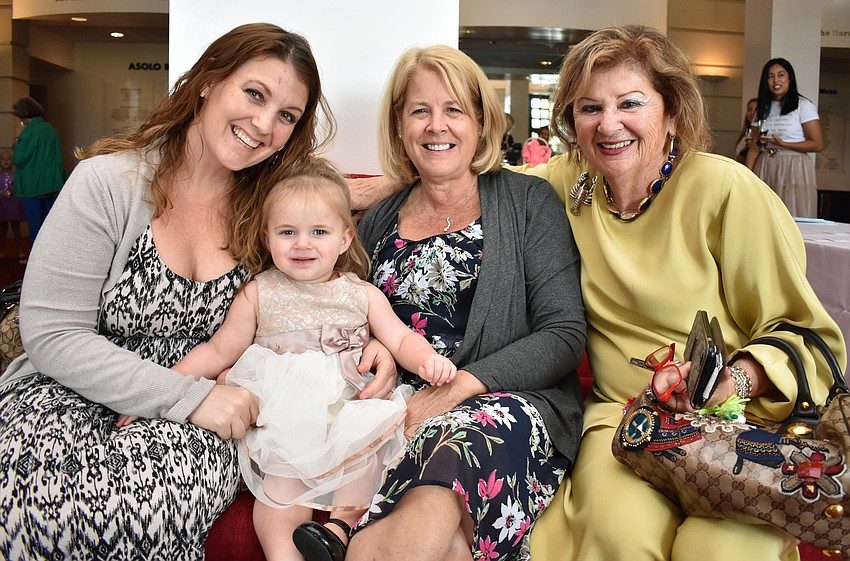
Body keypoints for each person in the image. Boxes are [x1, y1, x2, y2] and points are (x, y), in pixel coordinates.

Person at [0, 23, 395, 560]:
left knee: (141, 502)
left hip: (212, 404)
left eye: (286, 116)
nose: (263, 125)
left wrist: (369, 342)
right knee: (27, 492)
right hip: (80, 387)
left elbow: (324, 259)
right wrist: (190, 398)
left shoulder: (271, 210)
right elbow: (50, 334)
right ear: (209, 80)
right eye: (254, 94)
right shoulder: (108, 183)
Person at [497, 25, 844, 561]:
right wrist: (381, 185)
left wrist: (729, 381)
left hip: (738, 424)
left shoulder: (723, 189)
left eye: (630, 103)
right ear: (572, 122)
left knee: (721, 550)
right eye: (590, 108)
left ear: (672, 113)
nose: (609, 124)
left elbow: (806, 332)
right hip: (625, 420)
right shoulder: (570, 185)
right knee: (619, 533)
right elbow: (476, 179)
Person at [132, 160, 456, 561]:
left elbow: (400, 337)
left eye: (319, 232)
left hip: (348, 406)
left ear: (344, 239)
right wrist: (160, 389)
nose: (302, 244)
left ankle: (340, 527)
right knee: (281, 494)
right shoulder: (258, 292)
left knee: (371, 447)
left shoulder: (361, 293)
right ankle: (284, 555)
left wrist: (427, 360)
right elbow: (218, 351)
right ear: (268, 239)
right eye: (287, 232)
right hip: (284, 412)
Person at [338, 45, 587, 561]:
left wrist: (460, 390)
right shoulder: (379, 217)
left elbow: (563, 335)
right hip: (396, 407)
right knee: (446, 541)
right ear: (400, 125)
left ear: (480, 122)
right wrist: (378, 345)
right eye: (419, 111)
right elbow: (344, 306)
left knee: (459, 447)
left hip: (505, 405)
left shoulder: (528, 203)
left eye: (453, 110)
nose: (436, 126)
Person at [745, 58, 823, 217]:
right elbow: (754, 146)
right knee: (765, 214)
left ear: (790, 78)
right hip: (766, 163)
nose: (776, 80)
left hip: (794, 165)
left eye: (781, 75)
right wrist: (746, 176)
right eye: (770, 76)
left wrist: (785, 144)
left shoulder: (803, 105)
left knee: (793, 213)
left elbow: (817, 144)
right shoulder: (762, 108)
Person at [11, 96, 65, 243]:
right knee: (49, 223)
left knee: (35, 224)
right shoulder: (51, 130)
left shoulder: (28, 133)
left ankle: (36, 261)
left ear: (23, 114)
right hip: (50, 183)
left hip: (31, 184)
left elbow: (18, 159)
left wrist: (16, 145)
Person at [0, 150, 26, 262]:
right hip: (2, 204)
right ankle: (1, 251)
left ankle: (20, 250)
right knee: (2, 229)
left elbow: (20, 188)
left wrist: (14, 189)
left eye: (8, 159)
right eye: (3, 159)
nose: (6, 161)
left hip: (14, 203)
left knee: (16, 228)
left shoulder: (16, 174)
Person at [734, 97, 758, 164]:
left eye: (756, 110)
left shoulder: (761, 134)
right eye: (749, 110)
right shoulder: (745, 133)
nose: (752, 113)